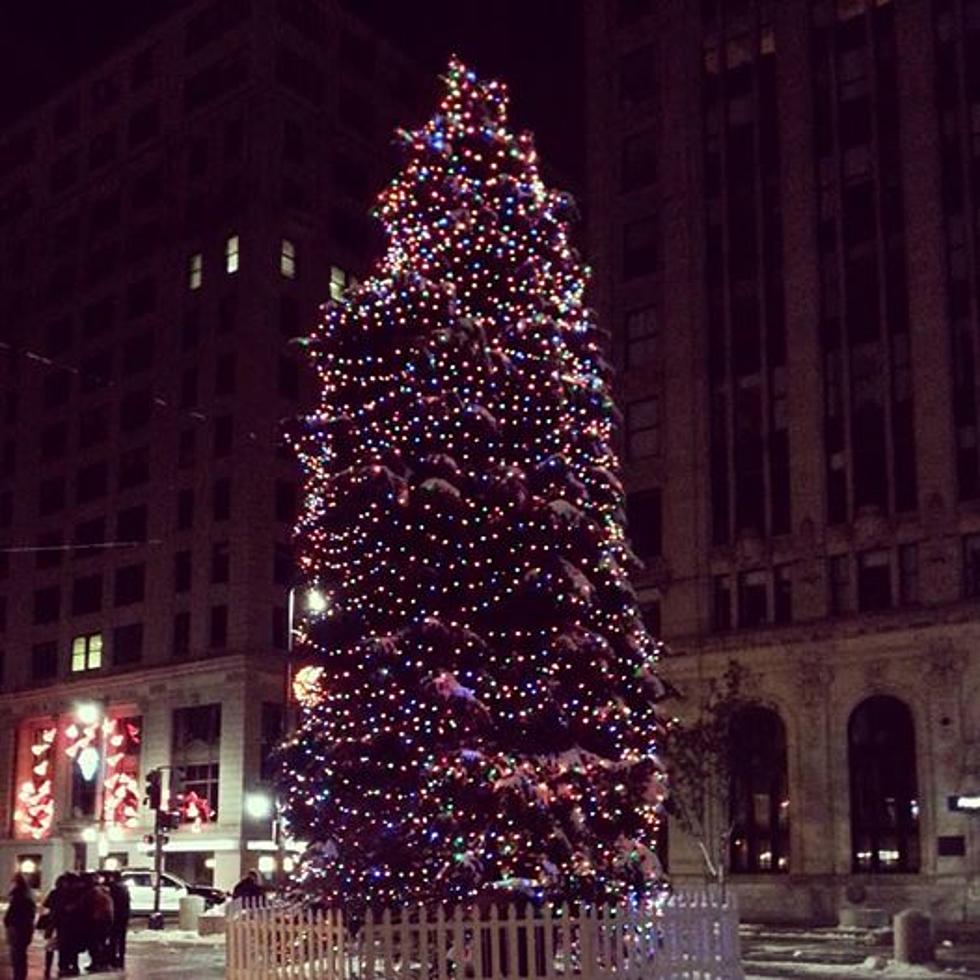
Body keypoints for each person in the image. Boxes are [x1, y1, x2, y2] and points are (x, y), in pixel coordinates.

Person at [3, 872, 36, 980]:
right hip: (24, 927)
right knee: (20, 953)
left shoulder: (18, 897)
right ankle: (20, 975)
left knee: (17, 954)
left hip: (17, 927)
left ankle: (19, 976)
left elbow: (12, 913)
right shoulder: (28, 897)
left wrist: (7, 922)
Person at [82, 872, 114, 973]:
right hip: (107, 919)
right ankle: (103, 963)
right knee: (102, 941)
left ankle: (97, 963)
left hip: (97, 919)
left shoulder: (93, 891)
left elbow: (83, 903)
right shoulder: (105, 890)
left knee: (94, 943)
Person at [106, 870, 130, 969]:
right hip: (124, 915)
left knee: (113, 938)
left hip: (116, 915)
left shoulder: (113, 887)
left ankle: (112, 959)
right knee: (121, 939)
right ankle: (121, 960)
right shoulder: (124, 888)